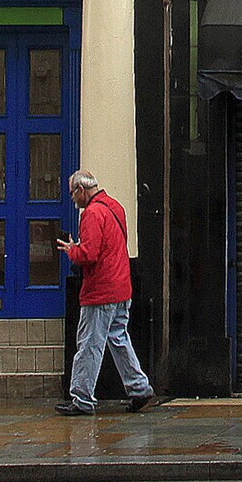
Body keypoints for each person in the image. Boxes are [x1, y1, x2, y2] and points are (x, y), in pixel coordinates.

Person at [55, 169, 158, 415]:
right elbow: (111, 246)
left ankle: (82, 399)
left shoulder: (91, 213)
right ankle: (139, 388)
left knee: (89, 344)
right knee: (119, 339)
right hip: (122, 287)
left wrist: (72, 250)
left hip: (100, 291)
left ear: (81, 190)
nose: (72, 199)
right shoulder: (115, 207)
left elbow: (89, 254)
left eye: (72, 194)